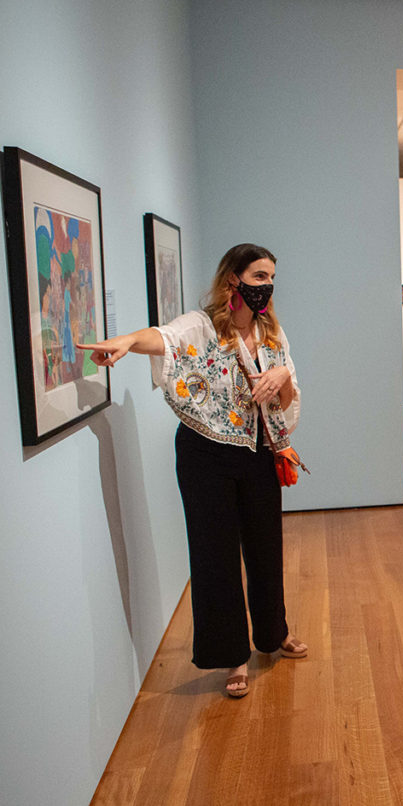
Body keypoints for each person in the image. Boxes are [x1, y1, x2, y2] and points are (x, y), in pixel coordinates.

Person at [78, 243, 307, 698]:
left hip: (258, 450)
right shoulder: (200, 326)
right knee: (214, 554)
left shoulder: (273, 335)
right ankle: (232, 656)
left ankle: (272, 632)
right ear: (232, 281)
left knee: (266, 546)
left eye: (271, 278)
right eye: (259, 277)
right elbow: (163, 338)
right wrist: (126, 341)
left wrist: (282, 379)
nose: (268, 286)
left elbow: (286, 401)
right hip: (205, 455)